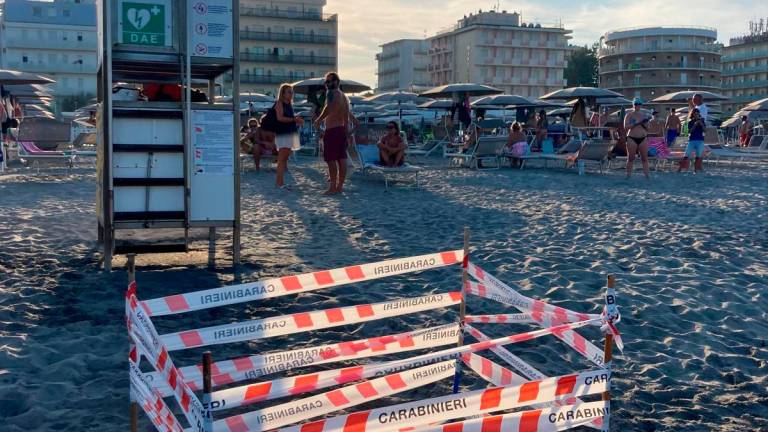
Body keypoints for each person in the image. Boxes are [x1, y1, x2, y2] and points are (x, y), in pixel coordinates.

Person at [314, 72, 356, 195]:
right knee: (341, 159)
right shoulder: (344, 97)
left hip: (332, 130)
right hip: (341, 129)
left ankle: (333, 187)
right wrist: (347, 133)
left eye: (330, 81)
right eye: (326, 82)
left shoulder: (331, 93)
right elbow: (346, 118)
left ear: (337, 81)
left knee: (331, 159)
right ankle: (339, 187)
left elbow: (328, 109)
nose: (327, 84)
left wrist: (319, 119)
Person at [274, 83, 304, 190]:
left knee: (284, 158)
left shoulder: (289, 105)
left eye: (292, 92)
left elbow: (288, 118)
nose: (292, 94)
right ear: (283, 93)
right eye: (289, 92)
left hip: (290, 132)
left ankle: (280, 182)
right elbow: (280, 118)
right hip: (283, 133)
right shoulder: (279, 103)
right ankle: (279, 182)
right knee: (282, 159)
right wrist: (294, 119)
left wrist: (296, 120)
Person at [623, 97, 651, 179]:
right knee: (631, 158)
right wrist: (636, 123)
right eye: (635, 104)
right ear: (633, 105)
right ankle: (628, 176)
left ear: (641, 105)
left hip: (643, 138)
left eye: (639, 104)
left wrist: (643, 123)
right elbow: (625, 127)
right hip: (632, 138)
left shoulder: (644, 115)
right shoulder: (629, 115)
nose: (637, 106)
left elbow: (648, 128)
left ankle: (647, 176)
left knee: (644, 158)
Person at [680, 108, 705, 174]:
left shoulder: (702, 121)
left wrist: (701, 124)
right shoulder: (690, 122)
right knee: (686, 155)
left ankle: (696, 170)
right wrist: (695, 125)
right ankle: (680, 169)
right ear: (693, 115)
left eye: (698, 114)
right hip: (692, 140)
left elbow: (705, 130)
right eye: (695, 114)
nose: (697, 115)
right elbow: (689, 131)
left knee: (698, 156)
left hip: (700, 140)